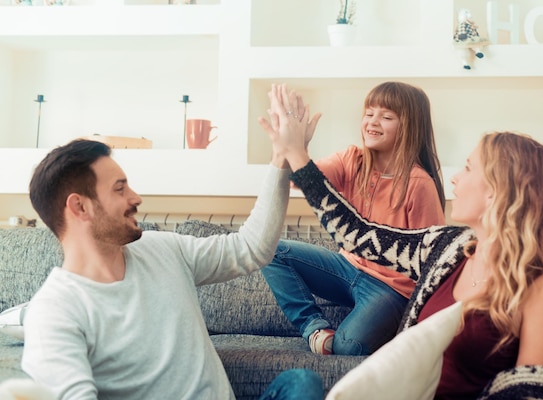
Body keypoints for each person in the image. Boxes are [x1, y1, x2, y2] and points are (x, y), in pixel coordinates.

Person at [260, 86, 543, 399]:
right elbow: (356, 234)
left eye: (468, 168)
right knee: (299, 383)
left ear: (497, 189)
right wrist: (294, 153)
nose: (456, 178)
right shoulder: (444, 248)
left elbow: (530, 392)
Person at [22, 102, 324, 400]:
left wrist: (282, 158)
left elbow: (250, 249)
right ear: (80, 207)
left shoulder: (159, 248)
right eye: (119, 189)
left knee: (300, 383)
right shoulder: (54, 313)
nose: (135, 197)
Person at [261, 82, 446, 356]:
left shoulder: (419, 184)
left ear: (409, 126)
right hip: (345, 267)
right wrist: (296, 146)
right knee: (270, 251)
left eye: (386, 116)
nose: (372, 122)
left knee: (348, 347)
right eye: (369, 113)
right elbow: (299, 179)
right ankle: (314, 328)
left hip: (390, 288)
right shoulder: (352, 159)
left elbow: (432, 264)